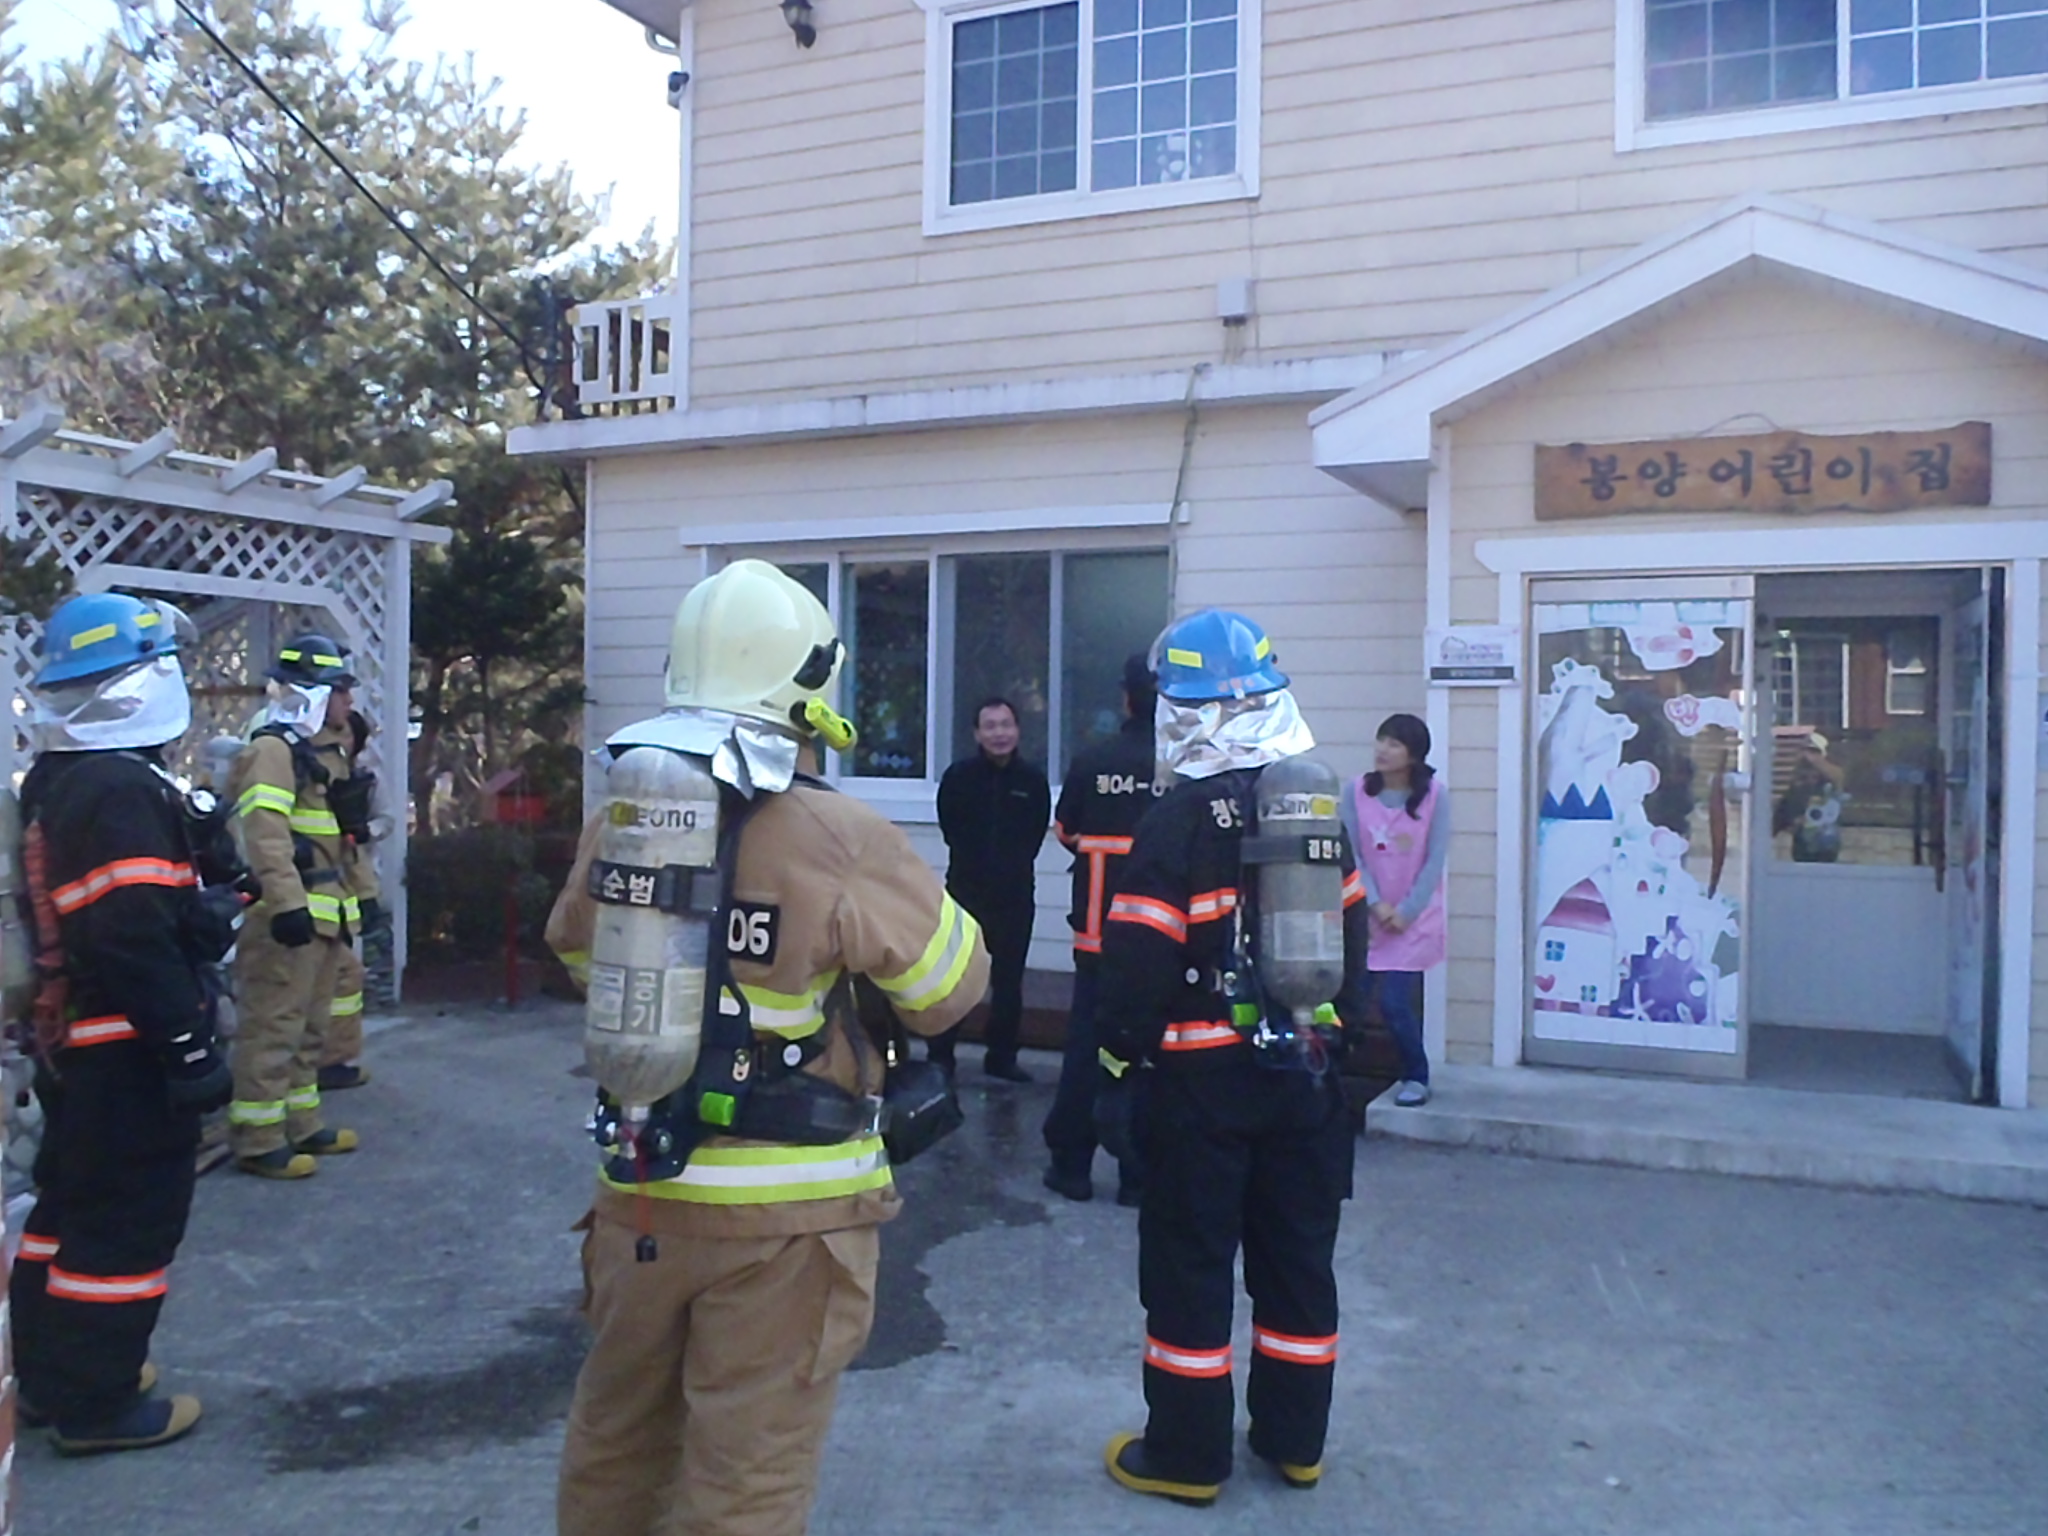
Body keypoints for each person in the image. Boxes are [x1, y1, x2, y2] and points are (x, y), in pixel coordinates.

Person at [547, 559, 990, 1536]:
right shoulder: (838, 832)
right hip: (786, 1223)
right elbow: (948, 994)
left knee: (615, 1447)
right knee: (745, 1483)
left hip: (640, 1190)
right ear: (807, 688)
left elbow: (579, 951)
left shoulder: (626, 815)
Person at [1094, 609, 1370, 1506]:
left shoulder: (1176, 819)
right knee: (1298, 1264)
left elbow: (1136, 964)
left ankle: (1186, 1456)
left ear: (1181, 712)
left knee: (1191, 1266)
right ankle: (1296, 1443)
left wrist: (1115, 1069)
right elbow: (1355, 948)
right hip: (1308, 1079)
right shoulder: (1315, 808)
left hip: (1201, 1085)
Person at [10, 592, 233, 1454]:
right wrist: (189, 1049)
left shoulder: (63, 780)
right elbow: (132, 932)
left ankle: (47, 1377)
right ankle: (97, 1405)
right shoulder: (117, 788)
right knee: (127, 1223)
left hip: (79, 1042)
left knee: (70, 1207)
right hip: (127, 1048)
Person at [225, 634, 366, 1178]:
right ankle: (259, 1139)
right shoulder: (273, 751)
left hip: (324, 911)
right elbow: (265, 832)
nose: (348, 701)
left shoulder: (320, 754)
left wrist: (364, 900)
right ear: (315, 693)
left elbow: (337, 841)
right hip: (288, 916)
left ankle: (302, 1124)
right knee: (274, 1028)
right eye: (340, 690)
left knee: (311, 1028)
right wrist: (286, 904)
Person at [1041, 654, 1157, 1204]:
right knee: (1151, 1053)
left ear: (1126, 699)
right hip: (1161, 943)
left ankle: (1072, 1167)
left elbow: (1066, 831)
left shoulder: (1094, 761)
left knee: (1086, 1050)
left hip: (1097, 937)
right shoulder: (1185, 766)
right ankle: (1137, 1175)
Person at [933, 696, 1050, 1082]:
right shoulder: (958, 778)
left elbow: (1034, 835)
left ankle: (1001, 1058)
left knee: (1008, 982)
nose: (999, 734)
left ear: (1017, 730)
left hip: (1014, 897)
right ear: (977, 734)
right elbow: (950, 829)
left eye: (1006, 725)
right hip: (965, 894)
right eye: (991, 726)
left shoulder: (1032, 782)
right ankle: (940, 1057)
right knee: (953, 978)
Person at [1339, 713, 1449, 1109]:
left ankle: (1416, 1076)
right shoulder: (1355, 792)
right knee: (1353, 1000)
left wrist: (1405, 911)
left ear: (1414, 755)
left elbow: (1434, 860)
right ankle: (1338, 1075)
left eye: (1394, 744)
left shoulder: (1435, 795)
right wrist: (1375, 904)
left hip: (1413, 920)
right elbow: (1350, 854)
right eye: (1381, 740)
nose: (1382, 750)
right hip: (1367, 915)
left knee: (1394, 1003)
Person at [317, 708, 384, 1093]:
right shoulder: (306, 776)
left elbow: (356, 843)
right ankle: (325, 1062)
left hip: (340, 895)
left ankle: (332, 1059)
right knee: (334, 978)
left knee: (344, 976)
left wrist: (366, 831)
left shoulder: (359, 781)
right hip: (310, 898)